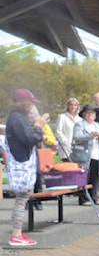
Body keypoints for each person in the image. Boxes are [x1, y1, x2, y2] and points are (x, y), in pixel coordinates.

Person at [5, 88, 45, 247]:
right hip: (21, 165)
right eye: (29, 103)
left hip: (20, 163)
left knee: (22, 199)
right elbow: (29, 139)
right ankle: (15, 235)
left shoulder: (17, 118)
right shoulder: (17, 118)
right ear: (22, 103)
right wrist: (39, 127)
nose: (31, 106)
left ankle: (18, 233)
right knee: (21, 199)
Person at [71, 104, 99, 206]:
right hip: (85, 155)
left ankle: (94, 197)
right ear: (84, 115)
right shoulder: (80, 125)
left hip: (97, 154)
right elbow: (77, 137)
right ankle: (83, 198)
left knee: (94, 176)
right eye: (88, 113)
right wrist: (90, 135)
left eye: (92, 113)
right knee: (84, 176)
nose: (90, 115)